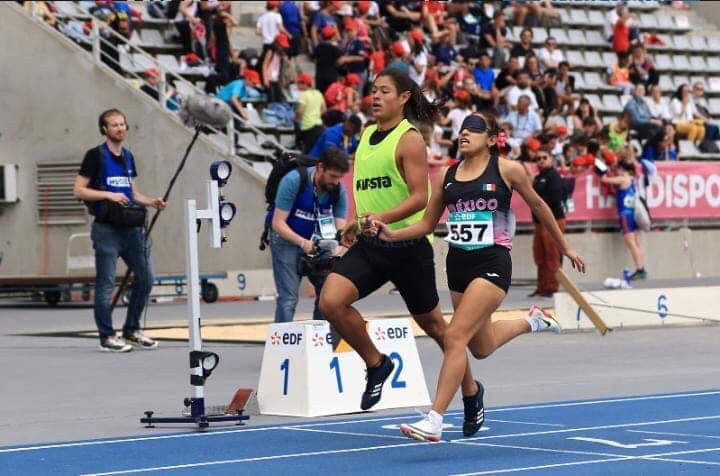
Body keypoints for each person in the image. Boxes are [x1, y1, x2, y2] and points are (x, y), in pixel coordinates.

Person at [370, 113, 585, 441]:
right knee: (480, 347)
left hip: (492, 262)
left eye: (474, 130)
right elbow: (427, 224)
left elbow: (541, 207)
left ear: (491, 138)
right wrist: (391, 235)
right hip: (458, 265)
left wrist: (565, 247)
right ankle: (533, 320)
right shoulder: (447, 174)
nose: (465, 134)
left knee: (454, 336)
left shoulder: (507, 169)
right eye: (461, 130)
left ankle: (435, 420)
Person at [318, 69, 486, 438]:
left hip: (407, 245)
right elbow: (362, 189)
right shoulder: (364, 137)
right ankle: (377, 363)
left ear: (404, 97)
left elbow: (420, 197)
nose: (375, 96)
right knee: (330, 302)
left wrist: (381, 217)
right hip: (371, 243)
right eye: (372, 90)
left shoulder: (408, 140)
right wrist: (353, 220)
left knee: (437, 328)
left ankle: (471, 391)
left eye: (384, 91)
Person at [73, 109, 166, 352]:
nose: (120, 129)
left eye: (123, 124)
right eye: (114, 125)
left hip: (132, 229)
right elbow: (79, 191)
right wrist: (107, 195)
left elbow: (132, 193)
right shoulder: (95, 156)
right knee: (106, 284)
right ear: (104, 129)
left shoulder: (128, 157)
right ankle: (107, 336)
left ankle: (132, 329)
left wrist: (151, 202)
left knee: (146, 278)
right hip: (106, 229)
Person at [268, 148, 350, 323]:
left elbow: (340, 229)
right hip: (286, 240)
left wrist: (339, 248)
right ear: (320, 168)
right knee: (288, 298)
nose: (335, 182)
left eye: (339, 178)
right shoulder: (294, 180)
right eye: (332, 176)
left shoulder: (337, 190)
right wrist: (302, 243)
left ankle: (320, 339)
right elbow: (277, 223)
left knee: (328, 296)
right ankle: (282, 344)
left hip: (318, 243)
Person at [529, 150, 566, 298]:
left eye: (544, 157)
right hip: (539, 222)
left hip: (552, 220)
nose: (541, 160)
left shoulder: (554, 176)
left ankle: (552, 286)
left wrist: (541, 207)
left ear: (551, 159)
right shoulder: (538, 177)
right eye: (538, 158)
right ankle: (542, 286)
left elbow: (556, 198)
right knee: (539, 255)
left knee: (552, 254)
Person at [600, 160, 647, 280]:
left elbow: (604, 180)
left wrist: (603, 170)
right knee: (636, 242)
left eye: (617, 169)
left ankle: (640, 269)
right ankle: (641, 267)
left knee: (631, 242)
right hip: (632, 212)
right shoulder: (631, 179)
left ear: (622, 169)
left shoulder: (622, 179)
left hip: (625, 214)